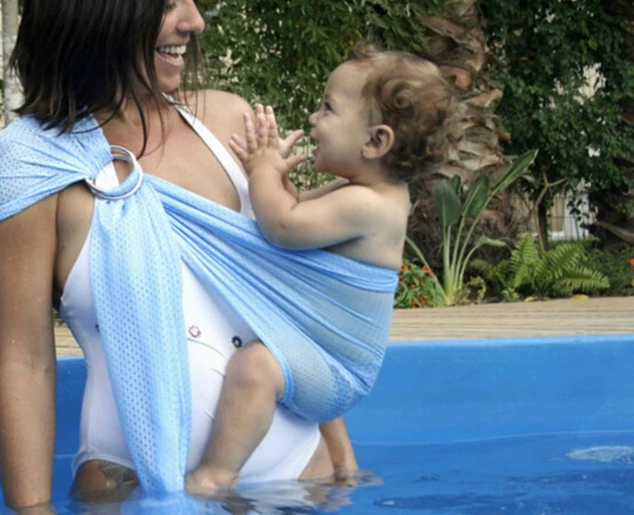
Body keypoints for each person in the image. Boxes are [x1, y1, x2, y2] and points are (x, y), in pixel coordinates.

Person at [0, 0, 369, 512]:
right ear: (101, 5)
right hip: (131, 491)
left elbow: (287, 311)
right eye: (170, 0)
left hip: (299, 481)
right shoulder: (31, 165)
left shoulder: (231, 124)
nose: (195, 21)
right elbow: (25, 364)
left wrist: (342, 461)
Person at [186, 45, 456, 493]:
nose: (313, 118)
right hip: (319, 353)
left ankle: (215, 475)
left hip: (336, 371)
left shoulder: (368, 205)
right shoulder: (359, 192)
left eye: (328, 108)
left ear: (376, 141)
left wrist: (261, 169)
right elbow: (293, 209)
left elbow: (282, 226)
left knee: (256, 367)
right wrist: (276, 175)